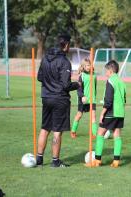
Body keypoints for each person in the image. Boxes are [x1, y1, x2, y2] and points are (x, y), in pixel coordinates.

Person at [36, 34, 80, 167]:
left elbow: (39, 77)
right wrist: (77, 85)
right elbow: (66, 85)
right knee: (57, 130)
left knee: (45, 128)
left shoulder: (45, 58)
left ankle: (39, 159)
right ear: (66, 45)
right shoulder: (64, 61)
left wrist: (50, 83)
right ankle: (55, 161)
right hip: (59, 99)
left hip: (46, 97)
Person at [86, 60, 126, 168]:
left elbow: (108, 100)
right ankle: (116, 161)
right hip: (120, 112)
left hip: (110, 112)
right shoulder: (121, 81)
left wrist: (102, 113)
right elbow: (124, 98)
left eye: (106, 70)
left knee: (100, 134)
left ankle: (97, 161)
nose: (105, 73)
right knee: (117, 135)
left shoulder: (111, 81)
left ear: (110, 70)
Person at [70, 58, 97, 139]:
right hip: (83, 99)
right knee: (79, 115)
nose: (89, 66)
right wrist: (82, 96)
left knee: (93, 117)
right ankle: (73, 131)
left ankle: (94, 134)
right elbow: (79, 88)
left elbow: (95, 87)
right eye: (87, 65)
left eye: (90, 65)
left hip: (92, 99)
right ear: (83, 66)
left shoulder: (94, 75)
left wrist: (94, 96)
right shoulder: (82, 76)